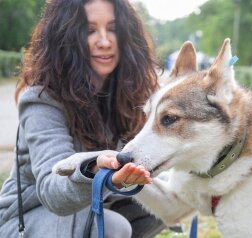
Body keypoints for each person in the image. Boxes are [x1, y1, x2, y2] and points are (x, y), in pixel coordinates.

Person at [0, 0, 166, 237]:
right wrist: (95, 166)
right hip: (26, 219)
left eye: (112, 28)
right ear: (66, 37)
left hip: (90, 209)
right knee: (113, 227)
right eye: (89, 31)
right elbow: (53, 193)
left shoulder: (131, 94)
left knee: (160, 205)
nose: (105, 41)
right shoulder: (41, 100)